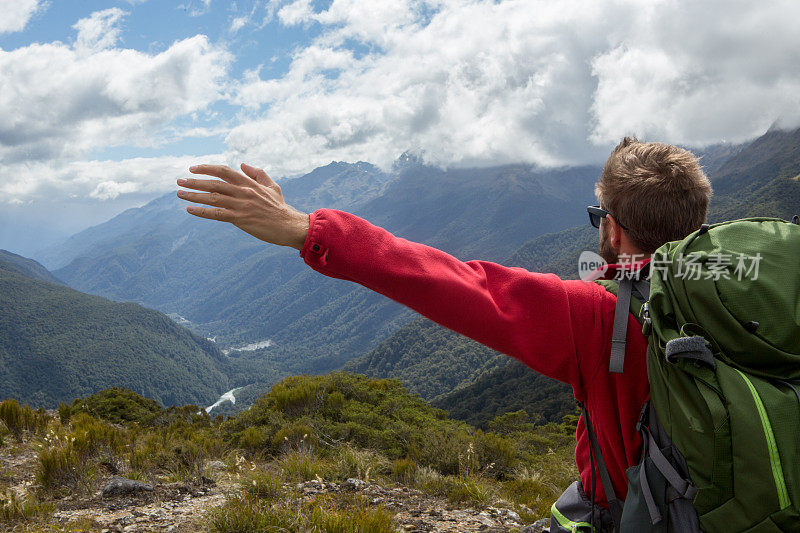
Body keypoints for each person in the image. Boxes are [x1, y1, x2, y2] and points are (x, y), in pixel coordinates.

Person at [175, 137, 713, 523]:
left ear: (615, 232)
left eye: (600, 218)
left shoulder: (597, 316)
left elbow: (450, 283)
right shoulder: (761, 296)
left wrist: (303, 229)